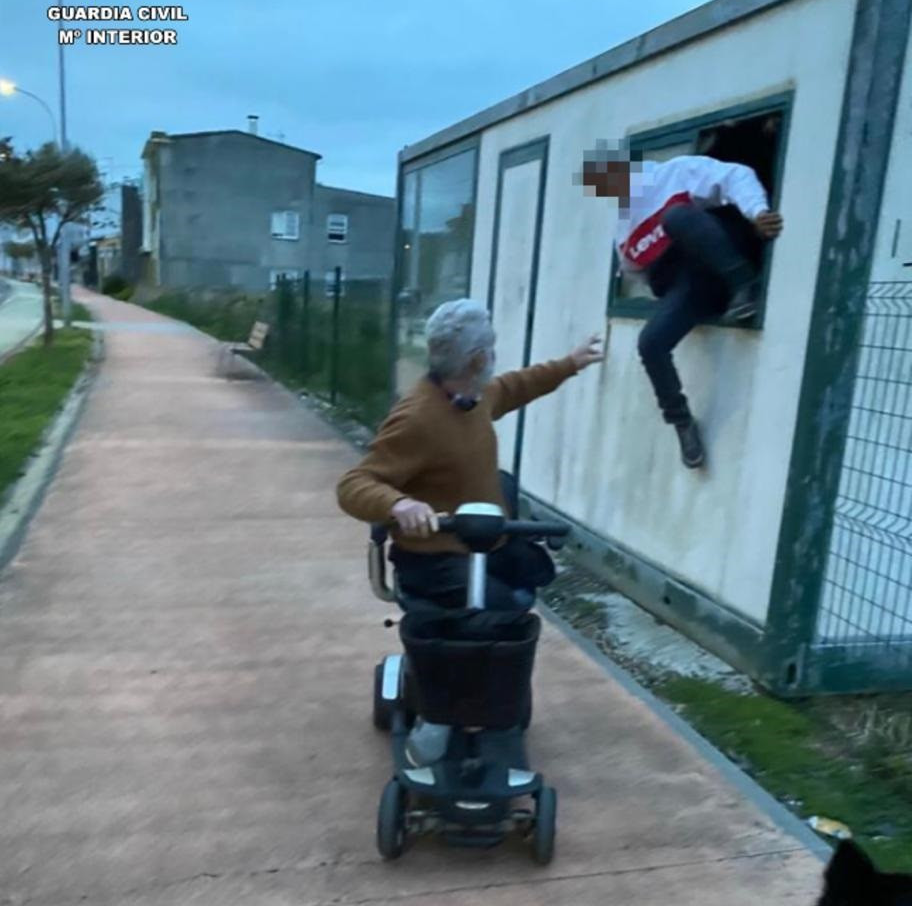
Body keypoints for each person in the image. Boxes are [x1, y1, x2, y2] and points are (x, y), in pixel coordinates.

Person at [336, 298, 603, 765]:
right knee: (497, 617)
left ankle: (492, 707)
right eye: (491, 349)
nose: (495, 357)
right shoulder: (418, 417)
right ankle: (440, 714)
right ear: (477, 359)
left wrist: (570, 364)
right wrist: (399, 503)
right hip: (432, 560)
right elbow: (354, 484)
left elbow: (513, 387)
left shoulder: (473, 397)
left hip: (483, 546)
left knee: (524, 586)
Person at [581, 151, 784, 468]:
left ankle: (746, 287)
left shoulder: (674, 172)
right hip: (693, 287)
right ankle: (681, 422)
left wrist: (757, 211)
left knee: (675, 217)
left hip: (723, 256)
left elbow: (735, 175)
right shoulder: (623, 229)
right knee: (650, 343)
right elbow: (634, 273)